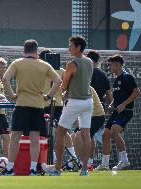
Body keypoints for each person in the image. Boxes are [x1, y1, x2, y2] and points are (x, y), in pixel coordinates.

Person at [0, 39, 61, 176]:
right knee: (35, 139)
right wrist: (49, 96)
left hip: (21, 104)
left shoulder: (17, 63)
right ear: (36, 51)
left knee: (15, 137)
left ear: (24, 51)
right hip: (38, 105)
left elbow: (5, 79)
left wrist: (12, 95)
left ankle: (9, 168)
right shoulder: (44, 65)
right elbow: (58, 81)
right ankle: (33, 169)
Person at [47, 36, 93, 176]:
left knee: (60, 132)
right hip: (88, 102)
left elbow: (64, 85)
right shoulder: (90, 61)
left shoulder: (71, 64)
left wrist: (59, 93)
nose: (69, 48)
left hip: (75, 102)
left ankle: (57, 169)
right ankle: (84, 169)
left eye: (71, 45)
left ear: (78, 47)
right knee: (86, 135)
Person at [95, 54, 141, 171]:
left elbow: (137, 92)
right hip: (116, 112)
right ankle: (104, 165)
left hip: (126, 111)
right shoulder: (116, 79)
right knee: (105, 135)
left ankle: (125, 161)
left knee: (115, 132)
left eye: (110, 65)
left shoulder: (127, 77)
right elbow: (117, 97)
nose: (109, 68)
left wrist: (124, 104)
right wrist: (111, 105)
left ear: (117, 65)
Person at [72, 86, 106, 170]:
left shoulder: (85, 88)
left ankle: (84, 163)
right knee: (83, 136)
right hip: (88, 116)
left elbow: (82, 106)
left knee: (81, 135)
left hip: (97, 116)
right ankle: (87, 163)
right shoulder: (76, 87)